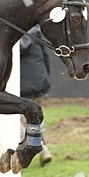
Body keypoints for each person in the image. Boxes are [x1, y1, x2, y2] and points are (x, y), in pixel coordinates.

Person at [19, 26, 54, 165]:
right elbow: (46, 59)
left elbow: (19, 49)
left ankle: (40, 147)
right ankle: (41, 145)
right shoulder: (37, 33)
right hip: (38, 82)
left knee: (19, 119)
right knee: (34, 117)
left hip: (22, 84)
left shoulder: (18, 39)